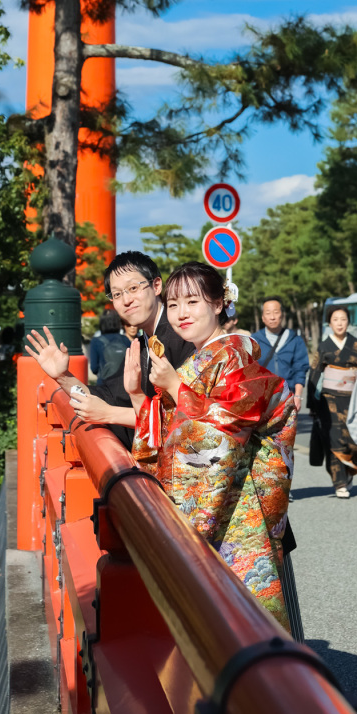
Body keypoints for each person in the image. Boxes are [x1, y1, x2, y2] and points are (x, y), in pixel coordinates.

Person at [129, 262, 297, 631]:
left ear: (220, 303)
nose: (181, 313)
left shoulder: (232, 357)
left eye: (192, 301)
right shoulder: (204, 358)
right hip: (224, 501)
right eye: (172, 305)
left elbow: (224, 434)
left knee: (240, 626)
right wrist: (138, 394)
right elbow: (173, 429)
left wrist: (174, 389)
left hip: (236, 508)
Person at [24, 251, 194, 447]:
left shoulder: (184, 334)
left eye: (133, 288)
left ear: (156, 286)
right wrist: (62, 376)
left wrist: (109, 414)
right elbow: (109, 396)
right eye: (117, 294)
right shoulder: (140, 346)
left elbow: (187, 413)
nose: (126, 300)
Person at [309, 307, 357, 498]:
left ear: (348, 322)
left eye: (343, 319)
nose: (339, 323)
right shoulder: (324, 347)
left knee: (355, 442)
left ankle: (350, 468)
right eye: (335, 319)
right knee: (334, 440)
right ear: (330, 324)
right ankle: (339, 483)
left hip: (355, 400)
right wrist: (313, 404)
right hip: (329, 400)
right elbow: (314, 375)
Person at [253, 297, 310, 413]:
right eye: (268, 313)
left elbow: (300, 370)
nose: (272, 317)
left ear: (282, 315)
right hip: (261, 401)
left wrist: (298, 396)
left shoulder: (295, 340)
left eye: (276, 312)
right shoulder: (254, 341)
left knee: (287, 431)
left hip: (287, 399)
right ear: (263, 317)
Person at [87, 310, 130, 385]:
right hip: (123, 385)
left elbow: (94, 368)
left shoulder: (96, 341)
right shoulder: (125, 339)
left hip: (104, 385)